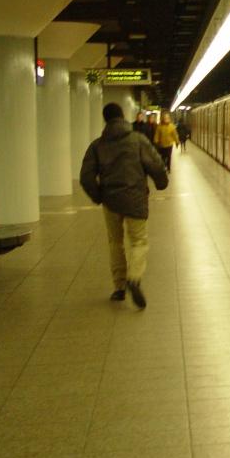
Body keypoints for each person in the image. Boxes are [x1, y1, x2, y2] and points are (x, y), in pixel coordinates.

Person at [80, 102, 168, 309]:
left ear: (106, 120)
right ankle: (134, 278)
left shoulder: (97, 145)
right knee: (138, 242)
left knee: (115, 243)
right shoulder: (138, 140)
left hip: (110, 201)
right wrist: (161, 183)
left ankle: (119, 287)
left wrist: (98, 196)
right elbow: (156, 164)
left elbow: (86, 177)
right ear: (123, 117)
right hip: (135, 199)